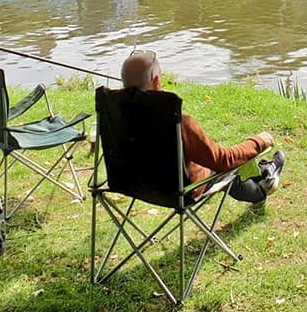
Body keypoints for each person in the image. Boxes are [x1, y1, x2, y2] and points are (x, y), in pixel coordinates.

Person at [121, 50, 285, 207]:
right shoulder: (178, 122)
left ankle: (263, 172)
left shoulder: (114, 116)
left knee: (212, 160)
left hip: (135, 185)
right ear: (157, 82)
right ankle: (262, 187)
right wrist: (258, 141)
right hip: (180, 192)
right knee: (225, 170)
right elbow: (223, 160)